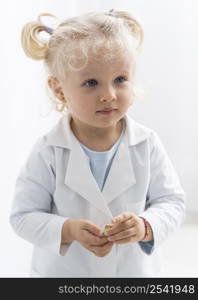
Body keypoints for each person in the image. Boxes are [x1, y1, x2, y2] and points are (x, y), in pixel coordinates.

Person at [10, 9, 185, 277]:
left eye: (120, 80)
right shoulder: (48, 151)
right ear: (59, 90)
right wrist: (67, 229)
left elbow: (171, 202)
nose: (109, 95)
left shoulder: (147, 143)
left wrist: (145, 225)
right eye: (91, 83)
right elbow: (22, 216)